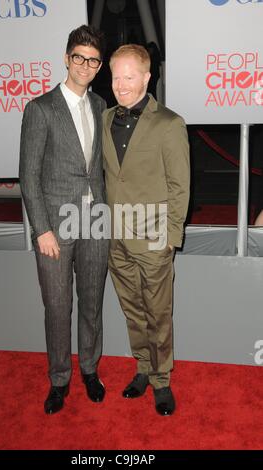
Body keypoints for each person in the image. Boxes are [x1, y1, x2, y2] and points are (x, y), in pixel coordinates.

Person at [19, 25, 108, 415]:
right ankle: (59, 379)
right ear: (66, 58)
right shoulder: (40, 108)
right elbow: (29, 175)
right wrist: (42, 229)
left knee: (91, 302)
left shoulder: (102, 106)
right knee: (58, 308)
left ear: (99, 65)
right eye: (78, 58)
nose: (85, 65)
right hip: (55, 226)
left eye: (92, 60)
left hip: (96, 222)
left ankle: (89, 369)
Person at [102, 44, 190, 415]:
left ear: (146, 77)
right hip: (115, 238)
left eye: (129, 76)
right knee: (133, 310)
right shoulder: (105, 118)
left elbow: (179, 186)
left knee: (158, 313)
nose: (121, 84)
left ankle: (162, 380)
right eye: (116, 76)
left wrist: (171, 237)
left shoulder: (169, 123)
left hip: (154, 238)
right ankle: (142, 367)